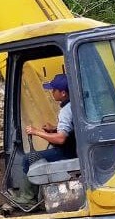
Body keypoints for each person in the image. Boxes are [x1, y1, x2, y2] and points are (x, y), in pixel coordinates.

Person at [7, 73, 77, 207]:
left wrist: (36, 132)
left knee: (29, 159)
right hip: (74, 147)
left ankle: (28, 199)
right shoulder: (74, 105)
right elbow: (73, 128)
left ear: (63, 93)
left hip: (67, 152)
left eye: (54, 90)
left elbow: (61, 139)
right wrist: (54, 129)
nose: (52, 92)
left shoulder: (66, 111)